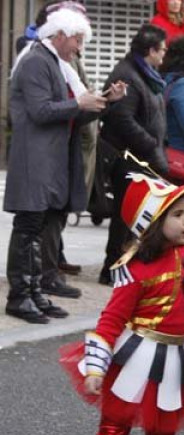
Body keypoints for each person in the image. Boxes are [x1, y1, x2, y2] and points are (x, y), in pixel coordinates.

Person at [61, 172, 184, 435]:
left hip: (173, 357)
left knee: (164, 430)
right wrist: (96, 368)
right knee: (115, 426)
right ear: (153, 223)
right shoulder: (135, 268)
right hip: (136, 357)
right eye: (178, 215)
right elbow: (112, 319)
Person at [4, 7, 125, 323]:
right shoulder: (34, 62)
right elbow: (41, 111)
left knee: (38, 227)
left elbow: (67, 113)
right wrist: (78, 103)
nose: (80, 49)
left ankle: (34, 292)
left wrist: (105, 102)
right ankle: (19, 296)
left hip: (49, 158)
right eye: (78, 41)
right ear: (59, 35)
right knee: (28, 227)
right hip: (35, 159)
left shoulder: (53, 62)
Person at [99, 24, 169, 286]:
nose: (164, 55)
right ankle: (113, 266)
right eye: (161, 50)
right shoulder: (127, 74)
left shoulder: (147, 75)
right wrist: (150, 143)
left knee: (135, 216)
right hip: (130, 158)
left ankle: (125, 263)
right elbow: (121, 117)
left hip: (144, 156)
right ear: (151, 50)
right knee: (125, 216)